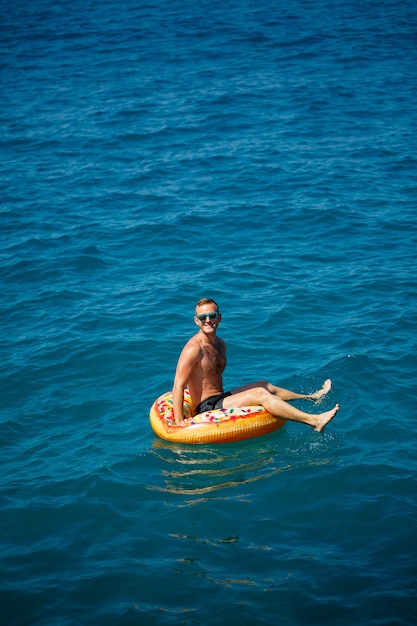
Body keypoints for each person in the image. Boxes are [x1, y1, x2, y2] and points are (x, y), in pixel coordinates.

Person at [172, 298, 340, 431]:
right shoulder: (193, 349)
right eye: (203, 318)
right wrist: (179, 423)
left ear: (219, 317)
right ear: (196, 321)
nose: (208, 320)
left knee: (264, 385)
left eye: (212, 316)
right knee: (260, 393)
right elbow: (178, 385)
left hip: (220, 398)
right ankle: (314, 421)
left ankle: (312, 397)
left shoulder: (220, 344)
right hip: (206, 407)